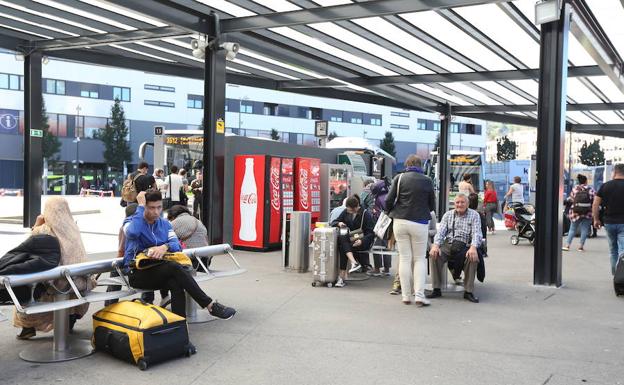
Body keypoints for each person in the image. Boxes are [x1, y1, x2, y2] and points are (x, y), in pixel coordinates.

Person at [123, 191, 235, 319]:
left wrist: (164, 247)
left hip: (159, 270)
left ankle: (180, 330)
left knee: (175, 283)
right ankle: (209, 304)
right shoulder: (130, 222)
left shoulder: (164, 224)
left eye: (159, 207)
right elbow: (132, 233)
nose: (156, 212)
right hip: (137, 273)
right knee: (174, 267)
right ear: (143, 207)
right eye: (151, 208)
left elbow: (176, 245)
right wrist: (141, 207)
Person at [14, 197, 95, 339]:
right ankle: (68, 321)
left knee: (30, 285)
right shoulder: (73, 228)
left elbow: (28, 246)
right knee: (62, 286)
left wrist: (36, 225)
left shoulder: (45, 229)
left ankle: (28, 328)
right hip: (79, 280)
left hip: (56, 282)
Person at [385, 155, 435, 306]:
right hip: (419, 222)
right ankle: (419, 295)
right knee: (419, 259)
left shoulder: (399, 178)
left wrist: (391, 211)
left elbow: (388, 200)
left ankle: (406, 296)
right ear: (420, 165)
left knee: (404, 258)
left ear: (406, 164)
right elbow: (432, 205)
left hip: (400, 221)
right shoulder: (427, 180)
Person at [428, 193, 482, 304]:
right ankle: (436, 288)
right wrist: (436, 245)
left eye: (462, 202)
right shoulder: (448, 215)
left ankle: (468, 291)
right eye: (457, 202)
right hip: (449, 244)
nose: (459, 204)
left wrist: (473, 247)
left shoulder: (474, 215)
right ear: (454, 204)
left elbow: (477, 233)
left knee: (472, 257)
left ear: (467, 204)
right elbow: (441, 232)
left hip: (465, 245)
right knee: (434, 254)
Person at [330, 196, 375, 287]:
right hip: (351, 239)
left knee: (343, 246)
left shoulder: (366, 214)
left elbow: (371, 233)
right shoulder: (346, 211)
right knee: (343, 241)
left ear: (356, 208)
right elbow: (334, 222)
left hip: (362, 241)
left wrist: (362, 241)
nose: (348, 212)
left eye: (350, 210)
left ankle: (342, 277)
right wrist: (339, 223)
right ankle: (353, 262)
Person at [593, 163, 624, 275]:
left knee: (613, 250)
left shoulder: (605, 186)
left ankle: (616, 275)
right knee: (623, 250)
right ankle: (621, 276)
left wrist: (596, 220)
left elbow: (595, 204)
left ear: (615, 172)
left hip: (609, 222)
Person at [563, 174, 595, 252]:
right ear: (586, 181)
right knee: (584, 229)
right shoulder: (591, 189)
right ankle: (580, 246)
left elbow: (571, 199)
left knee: (572, 229)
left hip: (575, 212)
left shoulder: (575, 189)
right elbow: (594, 200)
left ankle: (567, 245)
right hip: (588, 212)